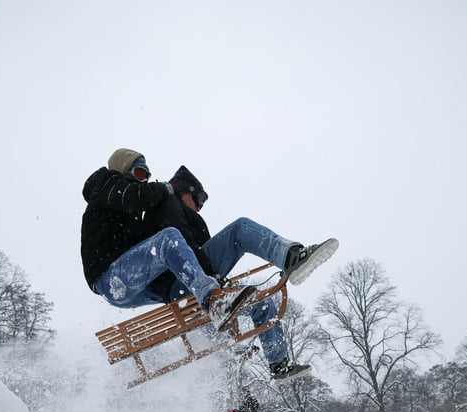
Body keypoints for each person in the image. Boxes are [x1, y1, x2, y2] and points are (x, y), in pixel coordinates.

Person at [81, 148, 338, 382]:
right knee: (179, 238)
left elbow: (185, 252)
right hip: (114, 278)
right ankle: (217, 299)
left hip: (167, 283)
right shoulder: (113, 189)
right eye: (198, 199)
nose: (200, 207)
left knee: (259, 298)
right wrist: (214, 283)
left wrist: (219, 283)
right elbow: (146, 208)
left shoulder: (146, 212)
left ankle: (279, 362)